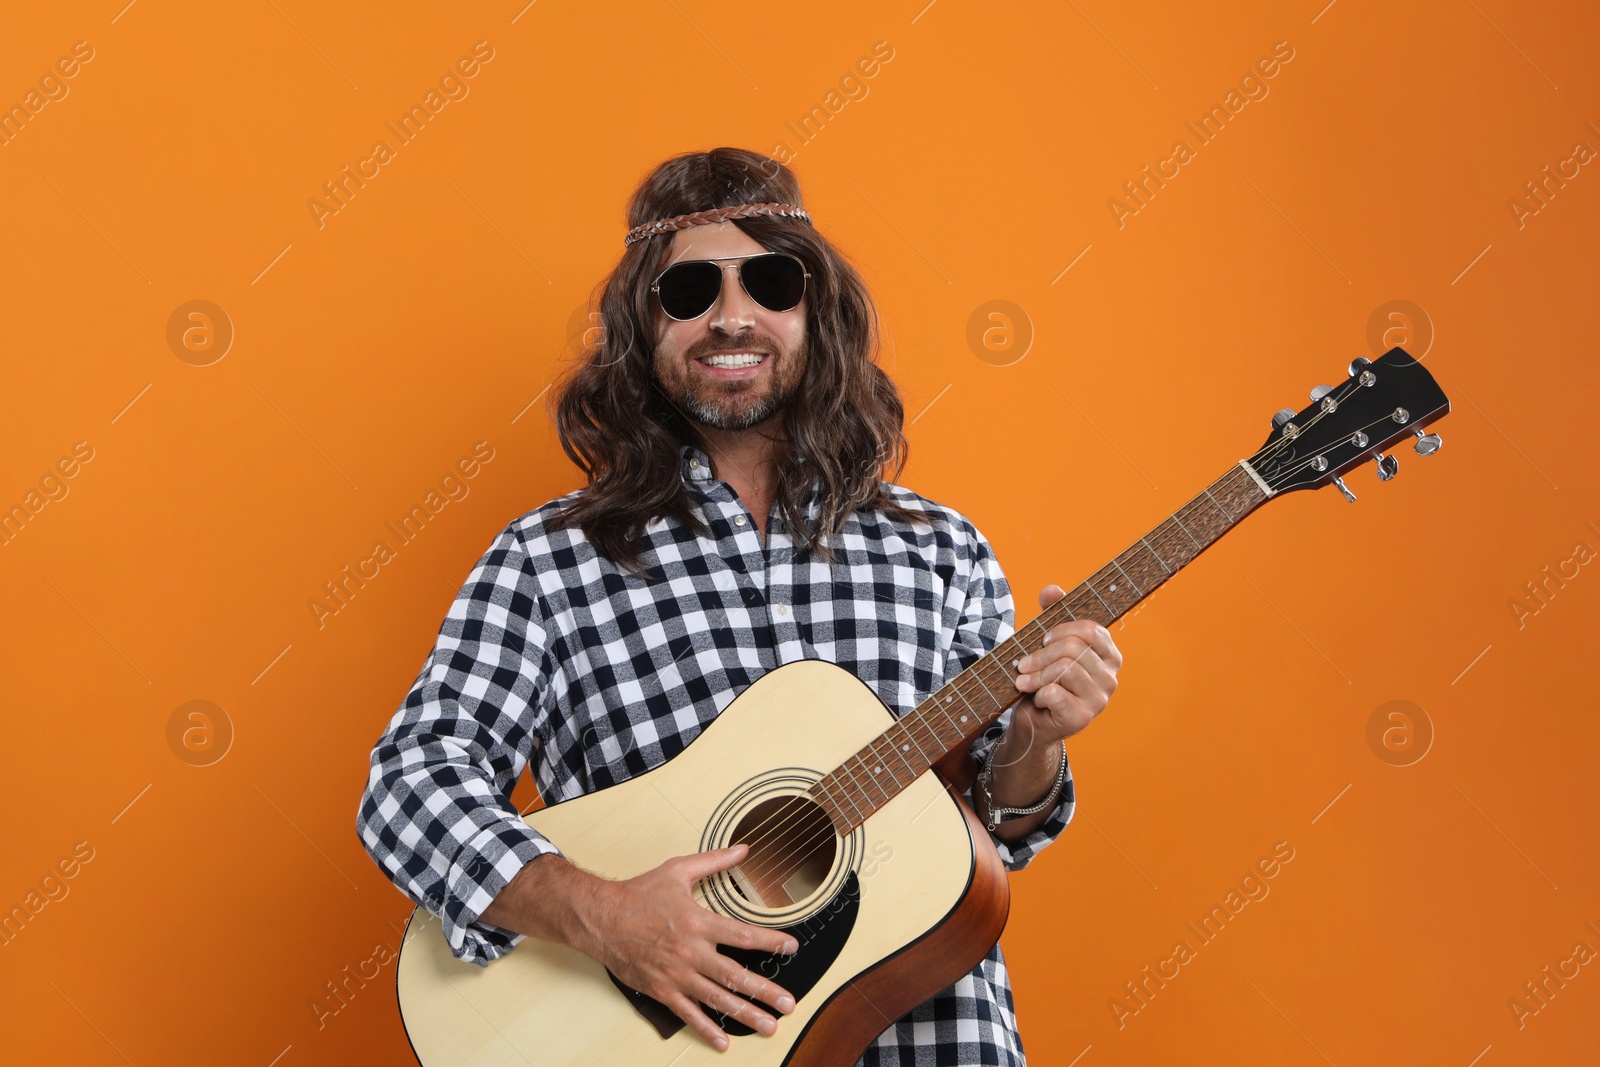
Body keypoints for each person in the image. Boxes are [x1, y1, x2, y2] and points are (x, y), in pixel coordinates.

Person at [357, 147, 1121, 1066]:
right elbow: (408, 784)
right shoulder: (549, 559)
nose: (731, 317)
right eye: (688, 293)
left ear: (817, 310)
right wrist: (607, 917)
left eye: (769, 281)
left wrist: (1039, 740)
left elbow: (997, 829)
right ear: (642, 326)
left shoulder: (940, 549)